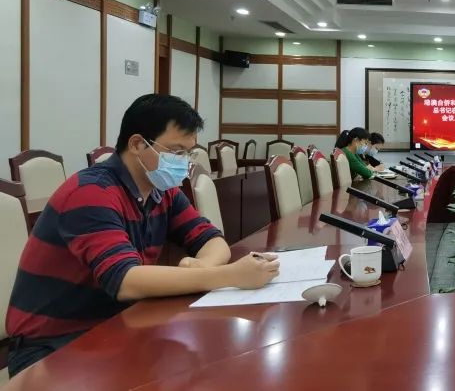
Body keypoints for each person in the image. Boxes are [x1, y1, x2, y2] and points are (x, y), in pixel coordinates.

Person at [5, 94, 280, 377]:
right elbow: (126, 281)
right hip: (53, 348)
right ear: (137, 144)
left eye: (188, 153)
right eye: (175, 151)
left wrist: (203, 266)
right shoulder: (91, 192)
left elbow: (212, 239)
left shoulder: (162, 191)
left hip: (117, 327)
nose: (183, 162)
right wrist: (229, 275)